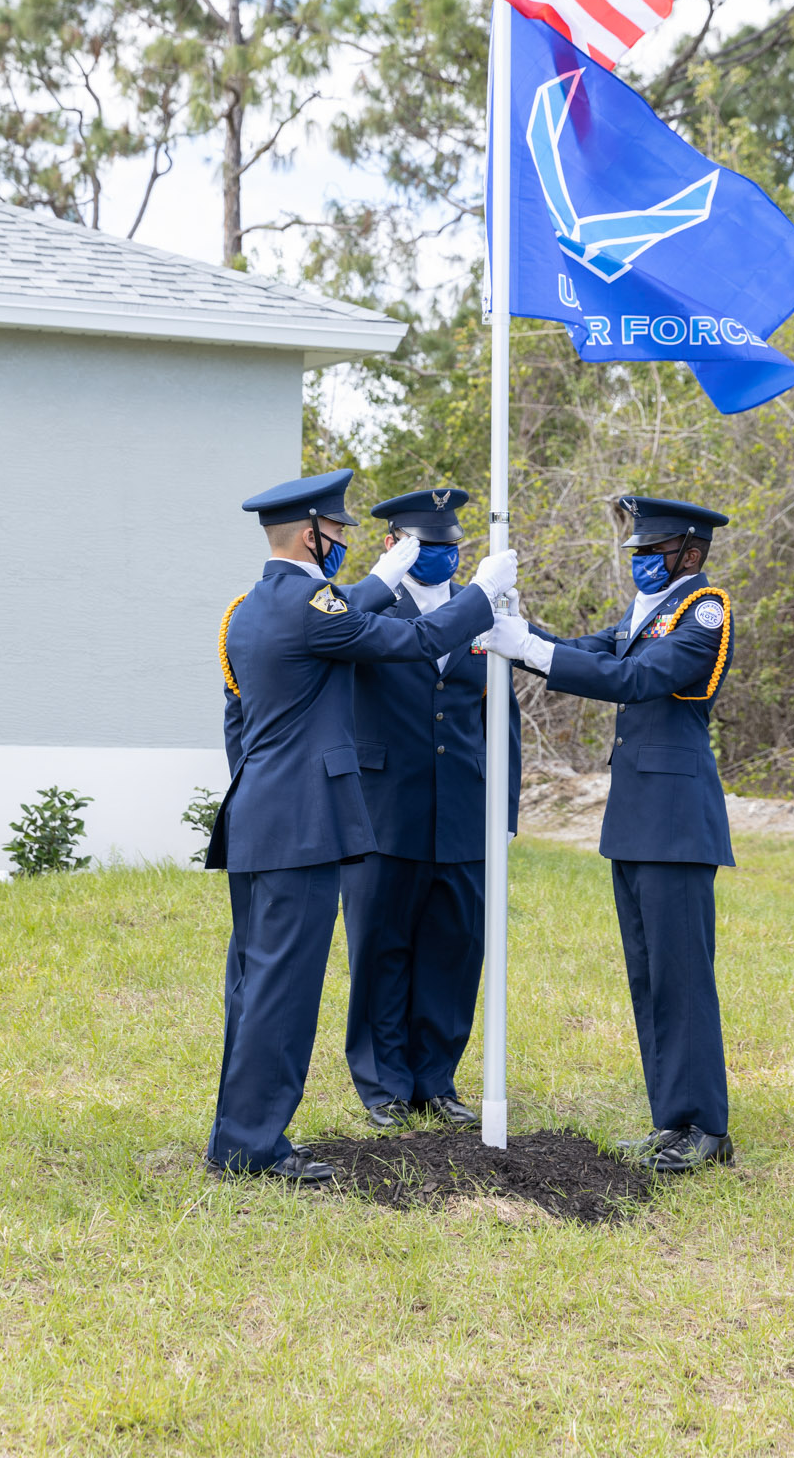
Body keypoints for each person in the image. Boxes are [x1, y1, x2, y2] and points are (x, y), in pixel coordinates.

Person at [205, 468, 517, 1185]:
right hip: (303, 823)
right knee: (281, 992)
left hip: (262, 818)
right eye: (337, 532)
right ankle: (254, 1146)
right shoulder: (312, 603)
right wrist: (481, 590)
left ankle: (237, 1137)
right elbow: (416, 638)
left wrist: (381, 573)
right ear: (312, 534)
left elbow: (344, 608)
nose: (342, 543)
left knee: (253, 987)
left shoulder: (256, 604)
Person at [479, 495, 735, 1175]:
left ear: (689, 552)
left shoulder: (702, 612)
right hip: (638, 817)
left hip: (676, 822)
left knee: (682, 978)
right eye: (637, 555)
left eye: (652, 554)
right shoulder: (642, 615)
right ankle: (670, 1121)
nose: (641, 565)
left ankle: (705, 1127)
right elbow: (585, 652)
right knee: (649, 977)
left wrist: (528, 647)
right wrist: (515, 630)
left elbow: (635, 678)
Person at [341, 487, 521, 1130]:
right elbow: (407, 645)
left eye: (450, 548)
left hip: (462, 811)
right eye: (427, 546)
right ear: (395, 544)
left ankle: (435, 1080)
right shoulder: (371, 608)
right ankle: (383, 1083)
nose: (441, 557)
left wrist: (504, 814)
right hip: (384, 808)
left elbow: (502, 717)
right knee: (382, 947)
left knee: (453, 947)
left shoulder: (485, 614)